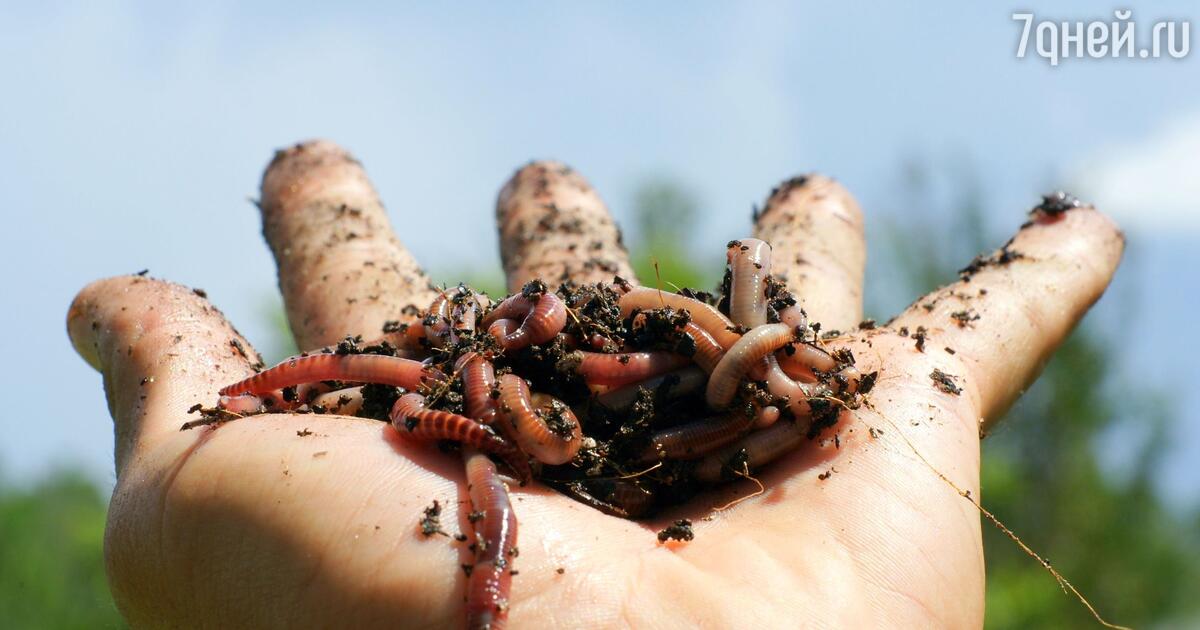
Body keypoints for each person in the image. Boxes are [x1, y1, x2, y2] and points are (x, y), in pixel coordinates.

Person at [66, 141, 1123, 628]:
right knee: (400, 381)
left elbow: (654, 389)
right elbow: (517, 409)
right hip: (483, 392)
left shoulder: (750, 379)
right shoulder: (486, 398)